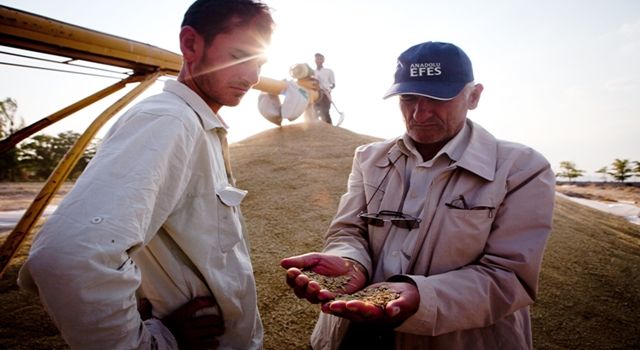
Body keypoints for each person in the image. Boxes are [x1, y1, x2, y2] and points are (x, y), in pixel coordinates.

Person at [17, 1, 274, 349]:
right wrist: (151, 344)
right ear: (190, 45)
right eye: (241, 55)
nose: (252, 77)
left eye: (260, 63)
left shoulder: (199, 126)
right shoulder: (170, 121)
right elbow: (68, 257)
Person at [281, 41, 555, 349]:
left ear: (474, 96)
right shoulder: (369, 158)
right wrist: (349, 262)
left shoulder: (520, 169)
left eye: (439, 97)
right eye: (408, 97)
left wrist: (421, 298)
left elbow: (509, 276)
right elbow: (349, 230)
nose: (420, 112)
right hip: (354, 335)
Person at [312, 53, 336, 124]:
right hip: (315, 95)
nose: (318, 60)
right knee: (313, 113)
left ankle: (330, 131)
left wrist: (328, 89)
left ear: (323, 60)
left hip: (325, 94)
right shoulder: (312, 73)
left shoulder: (329, 71)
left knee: (325, 112)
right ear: (315, 60)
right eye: (317, 59)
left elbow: (333, 84)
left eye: (320, 59)